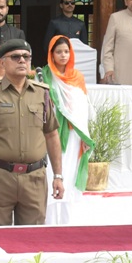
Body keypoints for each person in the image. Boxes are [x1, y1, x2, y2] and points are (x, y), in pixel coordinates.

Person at [0, 39, 64, 226]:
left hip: (34, 179)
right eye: (15, 57)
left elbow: (52, 135)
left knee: (32, 240)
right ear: (2, 62)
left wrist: (58, 176)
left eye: (26, 57)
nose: (22, 60)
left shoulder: (42, 93)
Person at [39, 36, 94, 223]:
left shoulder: (77, 77)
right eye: (58, 52)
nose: (63, 55)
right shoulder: (43, 75)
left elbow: (83, 108)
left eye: (66, 51)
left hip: (73, 133)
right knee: (51, 172)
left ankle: (66, 221)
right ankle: (48, 220)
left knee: (69, 173)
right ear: (51, 54)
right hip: (50, 131)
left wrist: (85, 136)